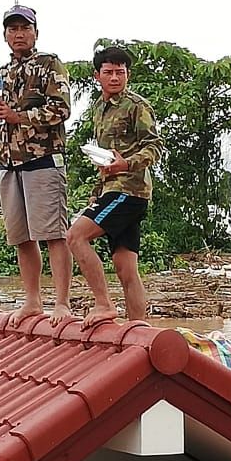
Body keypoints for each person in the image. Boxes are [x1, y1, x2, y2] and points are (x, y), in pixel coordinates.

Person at [0, 5, 73, 325]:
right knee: (21, 237)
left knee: (53, 234)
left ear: (36, 32)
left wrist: (17, 116)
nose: (18, 33)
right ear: (5, 35)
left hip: (43, 160)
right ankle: (33, 301)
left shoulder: (50, 65)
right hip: (9, 163)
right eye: (12, 29)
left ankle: (62, 303)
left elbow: (61, 110)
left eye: (25, 28)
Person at [66, 46, 163, 328]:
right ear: (97, 76)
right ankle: (139, 330)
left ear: (127, 75)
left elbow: (155, 146)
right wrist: (98, 188)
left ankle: (104, 304)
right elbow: (105, 156)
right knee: (126, 268)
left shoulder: (137, 105)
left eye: (120, 72)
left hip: (129, 190)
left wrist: (127, 164)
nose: (115, 77)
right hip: (111, 189)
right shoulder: (99, 108)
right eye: (108, 72)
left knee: (75, 237)